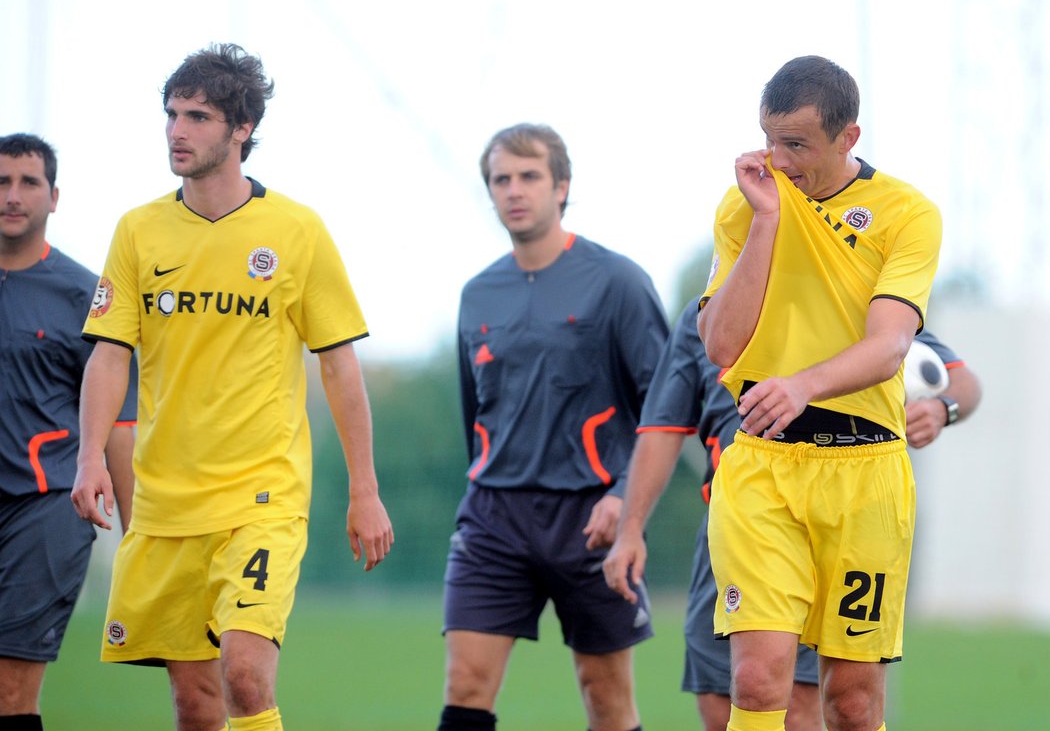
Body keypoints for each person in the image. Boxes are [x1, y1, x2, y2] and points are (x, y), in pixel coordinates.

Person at [70, 44, 394, 731]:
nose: (176, 131)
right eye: (171, 115)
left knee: (245, 677)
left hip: (261, 497)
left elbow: (339, 367)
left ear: (241, 128)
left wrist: (365, 490)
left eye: (197, 116)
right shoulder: (137, 230)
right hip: (164, 504)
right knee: (196, 703)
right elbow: (108, 355)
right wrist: (91, 455)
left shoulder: (296, 231)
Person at [696, 56, 942, 731]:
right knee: (756, 678)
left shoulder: (907, 213)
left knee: (853, 702)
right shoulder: (747, 203)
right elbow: (720, 345)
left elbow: (890, 346)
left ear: (848, 138)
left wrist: (803, 385)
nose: (777, 158)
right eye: (769, 138)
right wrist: (769, 221)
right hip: (763, 468)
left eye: (796, 145)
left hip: (867, 475)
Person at [603, 296, 981, 731]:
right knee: (721, 703)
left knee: (809, 707)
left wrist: (941, 408)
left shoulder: (854, 298)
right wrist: (630, 530)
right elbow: (662, 428)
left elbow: (963, 382)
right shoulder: (709, 313)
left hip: (829, 526)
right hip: (735, 529)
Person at [438, 123, 668, 731]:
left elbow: (666, 407)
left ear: (561, 186)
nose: (514, 191)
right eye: (501, 180)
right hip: (494, 517)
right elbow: (474, 414)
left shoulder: (618, 282)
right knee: (465, 684)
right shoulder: (477, 293)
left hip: (592, 521)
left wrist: (625, 497)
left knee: (605, 696)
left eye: (529, 176)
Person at [0, 133, 137, 731]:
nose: (13, 195)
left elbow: (120, 425)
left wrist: (139, 543)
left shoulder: (86, 296)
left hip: (44, 506)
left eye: (28, 182)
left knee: (8, 688)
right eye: (2, 181)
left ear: (54, 197)